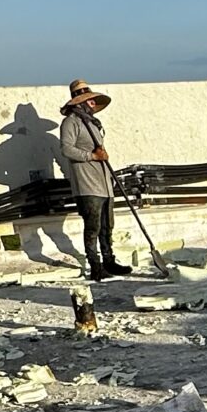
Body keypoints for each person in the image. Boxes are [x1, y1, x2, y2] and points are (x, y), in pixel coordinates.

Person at [57, 79, 131, 279]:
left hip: (104, 183)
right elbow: (66, 149)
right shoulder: (71, 123)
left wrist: (101, 156)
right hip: (87, 185)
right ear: (79, 102)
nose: (92, 103)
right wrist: (92, 156)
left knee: (108, 225)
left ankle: (109, 260)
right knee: (93, 226)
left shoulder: (91, 123)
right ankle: (95, 266)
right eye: (88, 100)